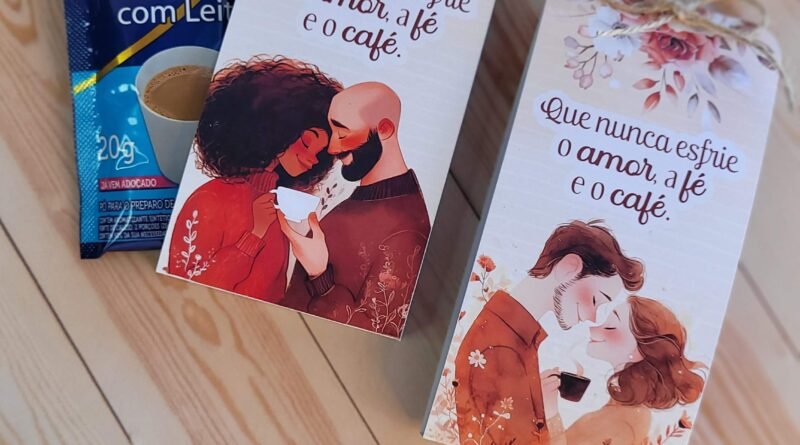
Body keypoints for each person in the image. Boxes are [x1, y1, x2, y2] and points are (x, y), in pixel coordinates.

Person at [167, 56, 342, 303]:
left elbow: (274, 293)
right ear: (276, 129)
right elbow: (187, 284)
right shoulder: (211, 198)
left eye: (319, 153)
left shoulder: (274, 205)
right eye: (306, 142)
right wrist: (254, 235)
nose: (311, 159)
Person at [454, 221, 645, 445]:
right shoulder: (502, 348)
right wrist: (548, 413)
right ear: (569, 267)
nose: (592, 317)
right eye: (595, 300)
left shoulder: (515, 337)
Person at [279, 82, 431, 338]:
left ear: (384, 130)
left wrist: (320, 275)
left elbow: (375, 335)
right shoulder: (357, 201)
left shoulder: (406, 230)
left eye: (342, 134)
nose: (332, 148)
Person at [541, 296, 706, 445]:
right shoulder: (622, 409)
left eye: (611, 327)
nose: (593, 329)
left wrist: (549, 410)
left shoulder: (625, 423)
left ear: (639, 351)